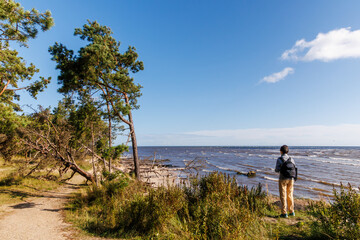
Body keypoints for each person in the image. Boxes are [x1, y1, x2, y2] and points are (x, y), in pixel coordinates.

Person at [275, 145, 297, 218]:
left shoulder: (279, 159)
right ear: (287, 151)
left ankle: (284, 213)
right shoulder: (291, 159)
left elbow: (276, 170)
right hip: (291, 179)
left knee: (283, 195)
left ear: (281, 151)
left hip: (283, 179)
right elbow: (295, 168)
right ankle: (292, 211)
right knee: (290, 195)